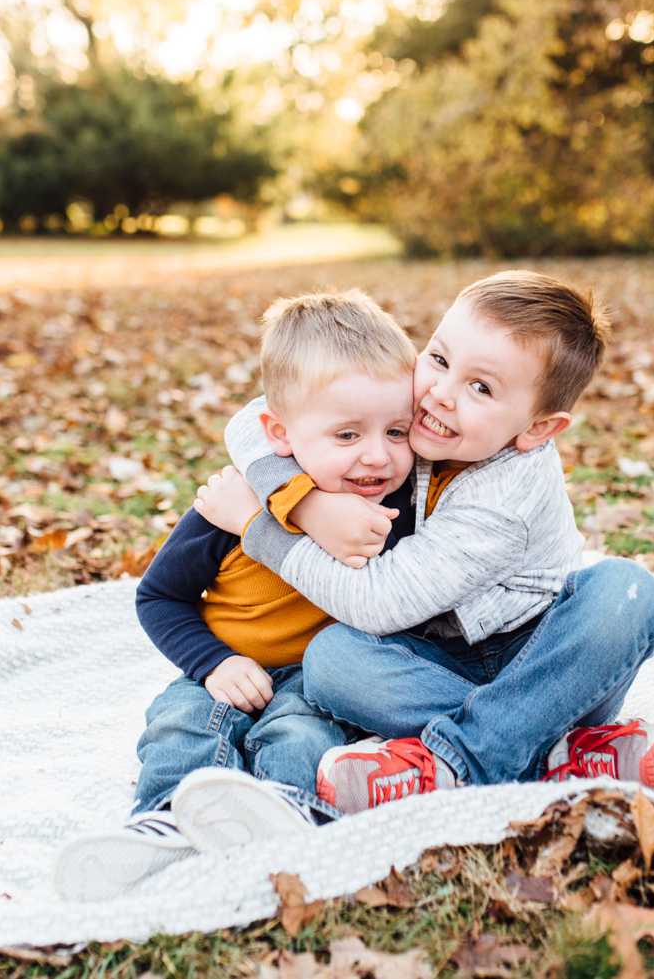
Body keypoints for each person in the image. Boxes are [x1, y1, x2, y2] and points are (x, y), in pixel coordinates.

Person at [194, 270, 654, 817]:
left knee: (626, 591)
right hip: (433, 662)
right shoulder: (416, 422)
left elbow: (378, 602)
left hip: (547, 662)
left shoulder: (506, 493)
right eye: (440, 360)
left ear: (538, 428)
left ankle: (453, 761)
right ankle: (561, 753)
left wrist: (261, 529)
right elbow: (255, 418)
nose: (441, 395)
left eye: (481, 388)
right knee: (330, 659)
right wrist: (307, 505)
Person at [52, 290, 418, 901]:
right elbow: (159, 598)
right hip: (221, 665)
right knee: (178, 727)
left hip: (320, 676)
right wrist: (212, 662)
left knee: (300, 734)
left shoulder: (399, 510)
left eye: (397, 430)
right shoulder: (235, 507)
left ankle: (283, 817)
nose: (377, 456)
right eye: (347, 433)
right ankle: (163, 823)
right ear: (278, 433)